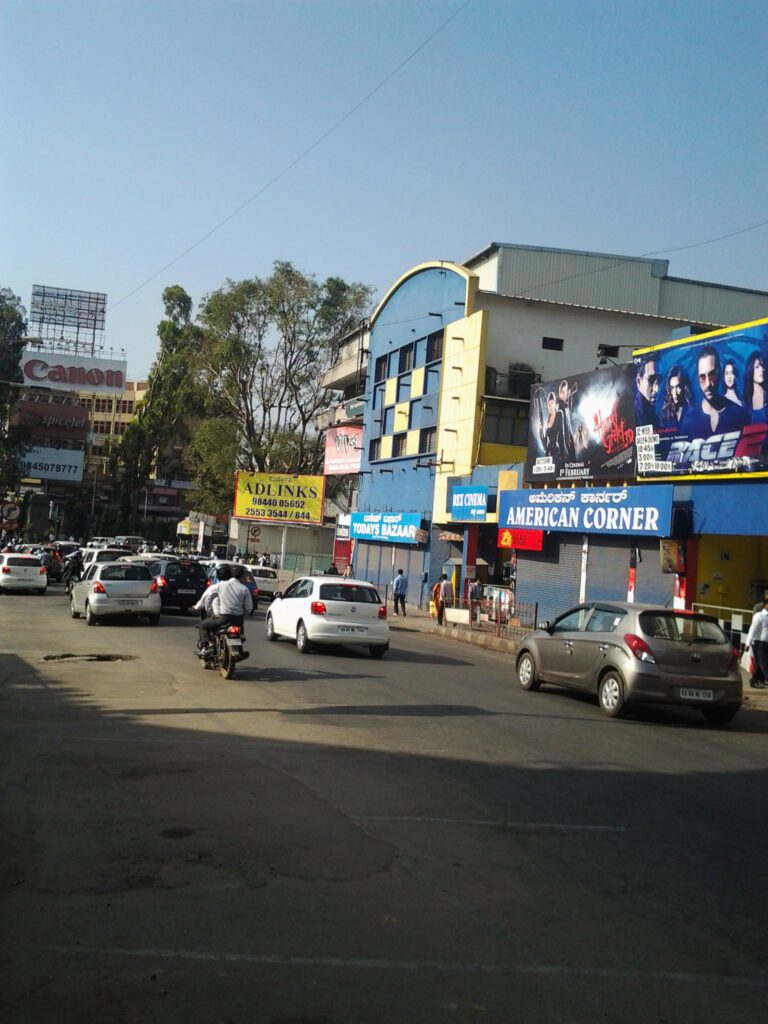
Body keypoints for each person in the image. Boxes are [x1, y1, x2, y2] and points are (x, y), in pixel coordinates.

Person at [682, 346, 747, 439]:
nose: (708, 384)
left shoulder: (738, 414)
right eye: (702, 377)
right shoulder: (689, 421)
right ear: (698, 378)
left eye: (711, 374)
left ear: (719, 372)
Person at [194, 563, 252, 653]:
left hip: (224, 618)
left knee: (203, 625)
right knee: (241, 634)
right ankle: (239, 647)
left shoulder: (221, 585)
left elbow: (208, 597)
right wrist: (241, 612)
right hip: (239, 620)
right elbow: (249, 608)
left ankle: (207, 647)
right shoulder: (245, 589)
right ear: (242, 576)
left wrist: (209, 610)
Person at [660, 364, 693, 430]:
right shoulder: (665, 413)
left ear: (684, 387)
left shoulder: (692, 411)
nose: (675, 393)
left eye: (678, 387)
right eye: (672, 388)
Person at [745, 595, 768, 689]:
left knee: (759, 664)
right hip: (759, 643)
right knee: (764, 663)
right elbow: (752, 629)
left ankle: (754, 680)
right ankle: (761, 679)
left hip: (766, 643)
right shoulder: (759, 616)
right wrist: (748, 643)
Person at [634, 356, 661, 428]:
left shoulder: (650, 412)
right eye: (651, 380)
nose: (657, 389)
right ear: (639, 381)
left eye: (659, 380)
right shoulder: (635, 416)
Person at [743, 350, 766, 424]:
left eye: (762, 366)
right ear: (750, 369)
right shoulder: (745, 401)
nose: (762, 369)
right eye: (757, 367)